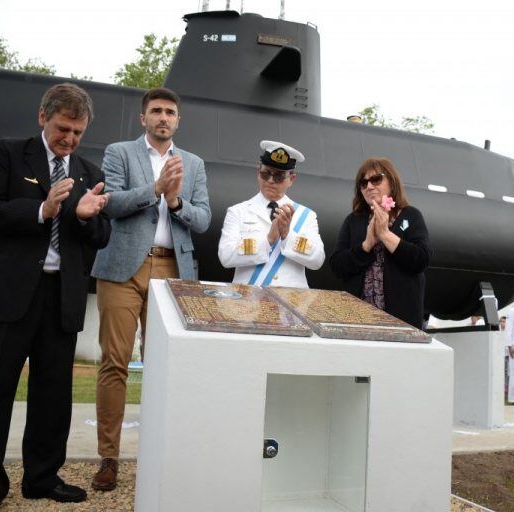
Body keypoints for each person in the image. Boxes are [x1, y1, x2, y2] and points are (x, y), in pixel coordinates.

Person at [0, 83, 111, 512]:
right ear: (43, 117)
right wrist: (42, 211)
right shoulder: (7, 154)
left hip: (59, 297)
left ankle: (42, 478)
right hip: (6, 295)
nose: (70, 139)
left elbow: (102, 235)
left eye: (78, 132)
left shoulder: (86, 170)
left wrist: (83, 217)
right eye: (64, 128)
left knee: (53, 396)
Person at [90, 87, 211, 491]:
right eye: (156, 111)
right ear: (143, 118)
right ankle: (109, 457)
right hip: (123, 267)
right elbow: (112, 202)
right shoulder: (120, 152)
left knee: (165, 364)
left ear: (178, 120)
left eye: (170, 112)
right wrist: (156, 190)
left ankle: (162, 453)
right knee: (115, 362)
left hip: (171, 268)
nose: (163, 117)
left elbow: (204, 218)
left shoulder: (192, 164)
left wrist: (176, 204)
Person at [330, 157, 430, 328]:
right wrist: (366, 246)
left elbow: (421, 260)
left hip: (401, 322)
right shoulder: (353, 220)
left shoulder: (411, 216)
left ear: (391, 181)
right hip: (358, 320)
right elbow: (337, 266)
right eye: (363, 183)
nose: (369, 186)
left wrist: (385, 234)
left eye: (376, 179)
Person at [218, 141, 324, 287]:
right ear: (258, 172)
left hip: (291, 301)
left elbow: (317, 260)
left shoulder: (306, 216)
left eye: (279, 177)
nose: (270, 181)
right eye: (265, 174)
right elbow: (226, 256)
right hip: (249, 302)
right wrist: (268, 240)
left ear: (291, 179)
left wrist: (288, 236)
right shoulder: (238, 211)